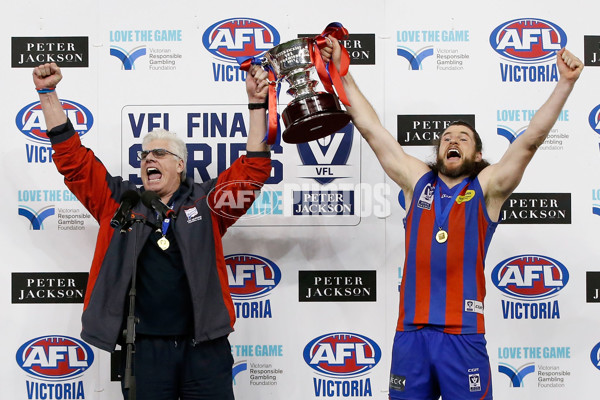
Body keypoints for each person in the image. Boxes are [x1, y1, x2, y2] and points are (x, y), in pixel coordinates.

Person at [322, 39, 583, 399]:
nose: (452, 140)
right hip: (411, 334)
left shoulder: (487, 187)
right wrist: (341, 73)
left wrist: (565, 83)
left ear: (477, 153)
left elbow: (529, 142)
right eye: (446, 137)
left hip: (463, 336)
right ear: (439, 150)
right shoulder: (417, 181)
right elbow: (372, 130)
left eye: (463, 137)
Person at [32, 62, 272, 400]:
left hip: (204, 349)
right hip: (142, 352)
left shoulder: (209, 204)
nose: (148, 159)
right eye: (144, 155)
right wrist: (47, 94)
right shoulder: (120, 203)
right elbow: (74, 162)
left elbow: (254, 171)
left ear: (180, 165)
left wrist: (257, 105)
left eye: (159, 153)